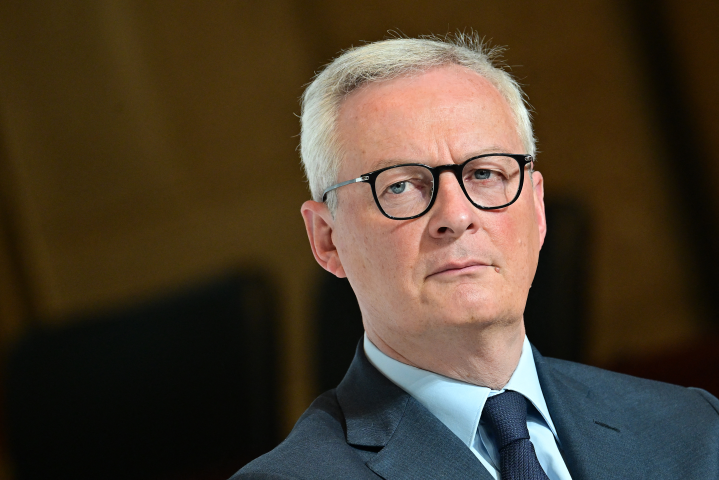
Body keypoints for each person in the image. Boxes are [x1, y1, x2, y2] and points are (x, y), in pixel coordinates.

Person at [232, 34, 719, 479]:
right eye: (400, 185)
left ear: (536, 206)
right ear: (327, 240)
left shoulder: (695, 428)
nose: (456, 215)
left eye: (485, 173)